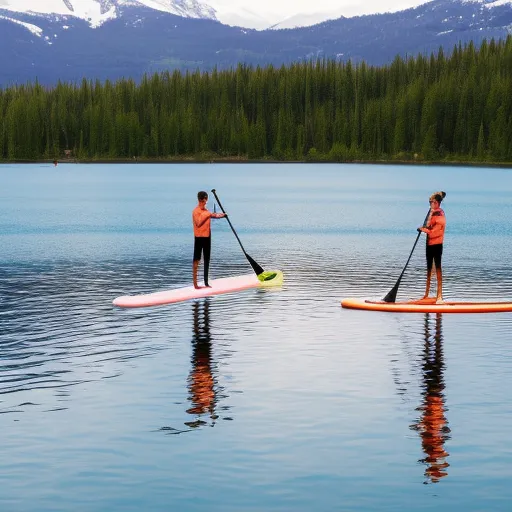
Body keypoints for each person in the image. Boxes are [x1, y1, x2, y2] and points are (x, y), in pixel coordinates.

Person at [192, 191, 226, 289]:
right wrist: (207, 214)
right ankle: (195, 284)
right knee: (196, 260)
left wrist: (223, 215)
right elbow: (198, 223)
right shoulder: (196, 211)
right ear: (203, 200)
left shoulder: (205, 211)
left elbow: (214, 215)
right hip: (199, 238)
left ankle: (206, 283)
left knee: (207, 259)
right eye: (205, 201)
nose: (206, 203)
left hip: (207, 237)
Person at [418, 191, 446, 304]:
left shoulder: (440, 214)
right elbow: (429, 226)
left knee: (438, 269)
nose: (431, 204)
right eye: (430, 202)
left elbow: (435, 232)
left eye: (433, 202)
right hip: (429, 244)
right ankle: (427, 294)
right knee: (429, 269)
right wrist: (424, 228)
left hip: (437, 244)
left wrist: (424, 230)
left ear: (438, 203)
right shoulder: (432, 212)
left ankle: (440, 296)